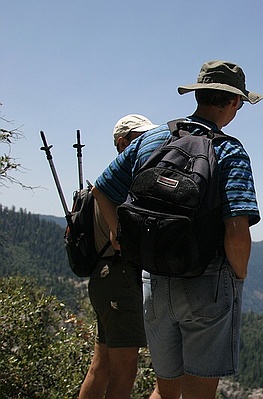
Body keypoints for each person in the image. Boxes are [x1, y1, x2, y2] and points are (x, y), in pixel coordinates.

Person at [92, 60, 263, 399]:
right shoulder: (229, 150)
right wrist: (237, 277)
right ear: (232, 102)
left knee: (165, 390)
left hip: (153, 281)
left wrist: (118, 234)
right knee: (199, 393)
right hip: (208, 282)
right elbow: (236, 233)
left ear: (199, 95)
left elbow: (101, 188)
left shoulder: (154, 138)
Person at [79, 114, 157, 399]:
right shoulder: (122, 185)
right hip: (120, 280)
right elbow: (121, 241)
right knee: (124, 372)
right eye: (141, 138)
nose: (149, 144)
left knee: (101, 368)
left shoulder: (114, 182)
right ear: (123, 143)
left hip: (105, 280)